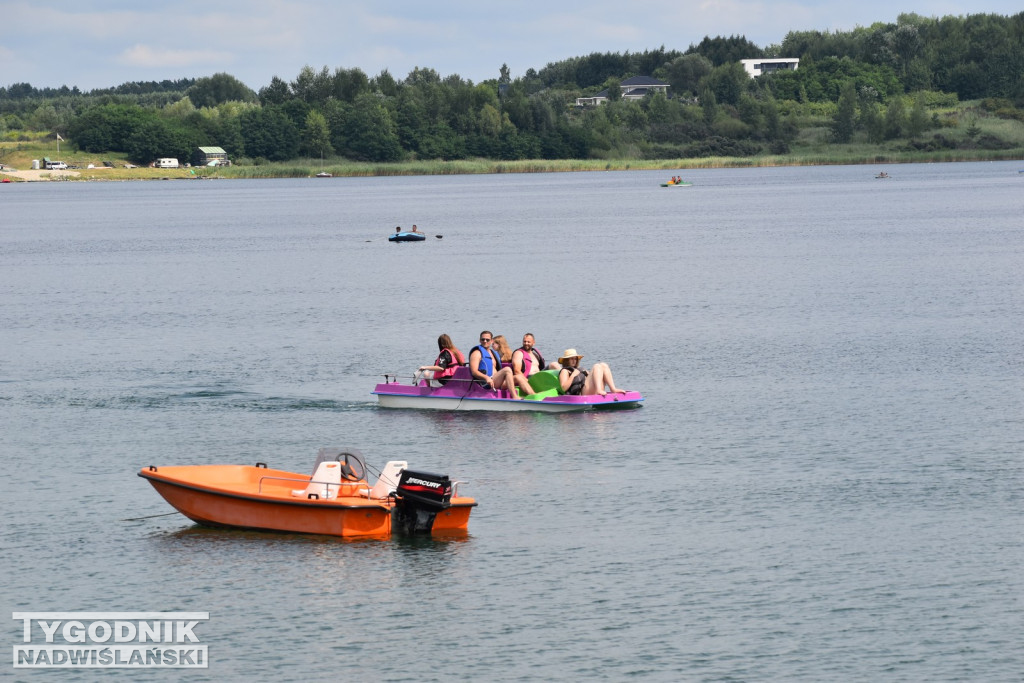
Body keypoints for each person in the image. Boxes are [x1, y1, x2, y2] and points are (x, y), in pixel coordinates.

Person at [468, 331, 519, 398]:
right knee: (507, 370)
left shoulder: (493, 353)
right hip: (486, 383)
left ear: (492, 341)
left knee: (519, 377)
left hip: (496, 380)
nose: (485, 341)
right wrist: (486, 378)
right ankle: (515, 397)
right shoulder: (477, 353)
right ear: (479, 340)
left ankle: (533, 395)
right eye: (483, 339)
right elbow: (474, 372)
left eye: (487, 340)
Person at [557, 349, 627, 396]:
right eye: (571, 359)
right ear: (566, 360)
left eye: (575, 359)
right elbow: (564, 388)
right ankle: (599, 390)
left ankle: (613, 389)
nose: (574, 361)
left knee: (603, 365)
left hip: (589, 389)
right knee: (596, 366)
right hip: (580, 394)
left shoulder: (578, 369)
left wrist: (586, 373)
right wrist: (573, 375)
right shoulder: (565, 371)